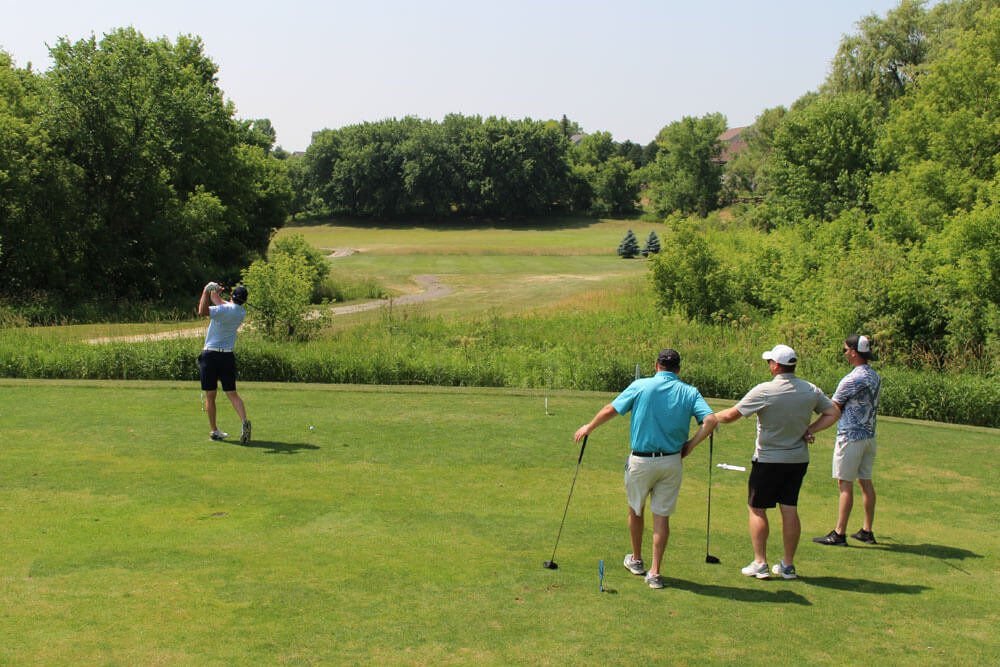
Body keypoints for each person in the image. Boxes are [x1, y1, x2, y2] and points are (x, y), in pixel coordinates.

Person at [574, 349, 717, 589]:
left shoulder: (641, 385)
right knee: (661, 517)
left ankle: (637, 560)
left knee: (636, 510)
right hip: (672, 461)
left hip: (641, 461)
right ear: (678, 369)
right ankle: (655, 573)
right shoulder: (690, 392)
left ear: (656, 365)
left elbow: (611, 409)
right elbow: (711, 420)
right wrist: (691, 445)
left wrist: (590, 426)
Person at [713, 344, 840, 580]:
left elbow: (732, 415)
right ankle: (788, 565)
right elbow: (833, 413)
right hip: (797, 460)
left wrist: (710, 417)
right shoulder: (810, 390)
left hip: (768, 460)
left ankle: (760, 563)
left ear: (776, 366)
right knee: (789, 509)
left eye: (769, 362)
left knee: (757, 508)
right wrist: (810, 429)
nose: (769, 365)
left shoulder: (765, 390)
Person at [813, 335, 881, 546]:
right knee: (865, 481)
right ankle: (867, 531)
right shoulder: (875, 376)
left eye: (845, 350)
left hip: (850, 438)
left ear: (853, 352)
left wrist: (810, 429)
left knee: (845, 485)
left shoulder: (851, 379)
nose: (844, 353)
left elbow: (832, 410)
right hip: (869, 437)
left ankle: (839, 533)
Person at [198, 282, 251, 444]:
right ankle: (244, 421)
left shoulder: (222, 310)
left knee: (210, 394)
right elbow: (221, 303)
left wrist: (205, 292)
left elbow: (202, 311)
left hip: (210, 355)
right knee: (232, 393)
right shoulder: (240, 312)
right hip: (227, 356)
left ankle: (214, 430)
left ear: (231, 296)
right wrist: (215, 292)